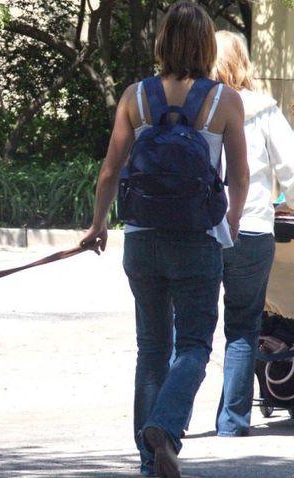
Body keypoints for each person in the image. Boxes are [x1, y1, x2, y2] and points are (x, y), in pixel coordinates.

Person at [79, 3, 249, 477]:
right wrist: (231, 222)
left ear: (163, 41)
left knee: (152, 347)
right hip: (198, 239)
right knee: (194, 345)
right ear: (206, 45)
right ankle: (165, 429)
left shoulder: (137, 96)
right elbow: (239, 175)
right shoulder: (225, 102)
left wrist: (98, 226)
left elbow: (111, 170)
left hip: (143, 238)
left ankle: (149, 460)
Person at [213, 30, 294, 437]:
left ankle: (167, 420)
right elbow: (292, 172)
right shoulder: (261, 109)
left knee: (183, 328)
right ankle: (232, 421)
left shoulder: (195, 106)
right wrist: (286, 204)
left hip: (200, 230)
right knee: (243, 325)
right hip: (252, 227)